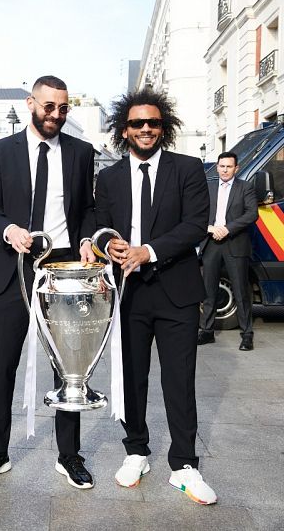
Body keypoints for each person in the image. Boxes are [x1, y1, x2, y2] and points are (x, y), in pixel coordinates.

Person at [0, 76, 97, 489]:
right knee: (2, 366)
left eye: (63, 108)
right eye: (49, 107)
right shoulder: (0, 151)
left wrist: (85, 240)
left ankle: (70, 455)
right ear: (31, 104)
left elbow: (88, 208)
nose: (56, 115)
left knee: (69, 369)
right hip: (15, 267)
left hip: (64, 269)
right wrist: (8, 229)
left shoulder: (81, 152)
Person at [95, 88, 217, 505]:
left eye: (153, 123)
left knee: (179, 380)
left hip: (177, 292)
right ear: (123, 130)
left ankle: (184, 465)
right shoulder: (108, 177)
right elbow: (101, 224)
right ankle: (136, 451)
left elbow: (196, 224)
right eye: (136, 123)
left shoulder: (186, 169)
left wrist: (148, 251)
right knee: (131, 378)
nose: (145, 129)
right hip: (129, 293)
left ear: (164, 127)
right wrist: (107, 242)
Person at [197, 152, 258, 351]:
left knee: (241, 292)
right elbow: (198, 212)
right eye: (222, 166)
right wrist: (210, 228)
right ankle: (207, 331)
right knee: (208, 291)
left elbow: (252, 214)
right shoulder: (208, 187)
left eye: (229, 167)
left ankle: (247, 335)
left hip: (235, 243)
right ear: (217, 167)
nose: (225, 170)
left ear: (236, 168)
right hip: (211, 243)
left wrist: (228, 228)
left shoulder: (245, 187)